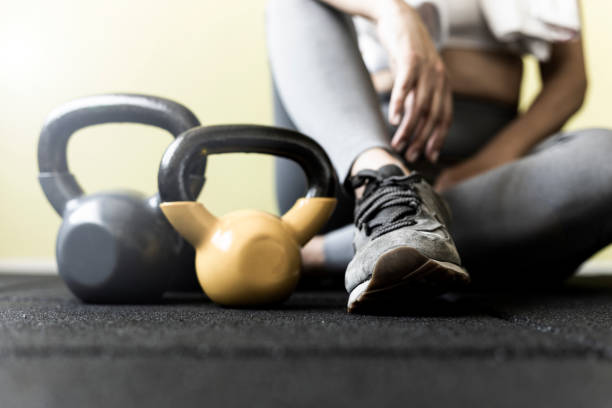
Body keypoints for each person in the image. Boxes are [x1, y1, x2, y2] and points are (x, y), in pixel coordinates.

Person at [266, 0, 612, 313]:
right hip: (345, 158)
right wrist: (391, 12)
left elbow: (569, 80)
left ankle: (317, 254)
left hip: (483, 176)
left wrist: (487, 163)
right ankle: (379, 183)